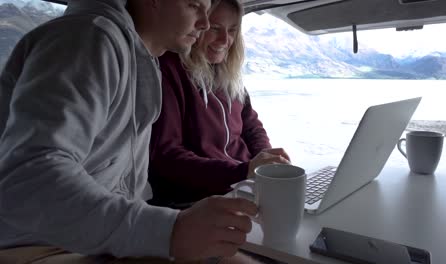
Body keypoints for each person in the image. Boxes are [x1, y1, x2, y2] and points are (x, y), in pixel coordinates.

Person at [0, 0, 258, 263]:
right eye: (194, 5)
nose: (203, 23)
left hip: (88, 239)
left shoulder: (142, 60)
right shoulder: (88, 38)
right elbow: (31, 180)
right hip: (35, 245)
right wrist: (169, 230)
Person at [148, 0, 290, 207]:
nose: (226, 39)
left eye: (232, 30)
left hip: (243, 186)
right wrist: (242, 171)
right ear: (198, 25)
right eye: (215, 28)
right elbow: (167, 156)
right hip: (195, 200)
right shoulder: (169, 69)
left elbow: (251, 126)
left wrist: (265, 161)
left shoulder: (227, 74)